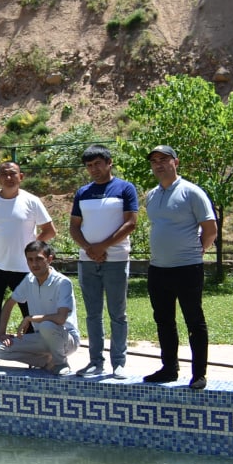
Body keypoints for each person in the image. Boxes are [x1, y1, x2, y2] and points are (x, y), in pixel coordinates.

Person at [143, 145, 217, 389]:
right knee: (164, 320)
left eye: (164, 159)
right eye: (154, 161)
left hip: (187, 268)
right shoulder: (152, 195)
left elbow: (210, 229)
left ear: (176, 162)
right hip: (158, 269)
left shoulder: (191, 192)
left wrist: (198, 251)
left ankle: (199, 374)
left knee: (194, 321)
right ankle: (169, 368)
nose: (158, 164)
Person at [0, 161, 56, 367]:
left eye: (13, 174)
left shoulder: (32, 201)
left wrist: (33, 250)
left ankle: (37, 356)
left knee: (30, 313)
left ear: (21, 176)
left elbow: (49, 230)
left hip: (24, 268)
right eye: (4, 174)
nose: (8, 178)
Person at [69, 145, 139, 379]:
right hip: (87, 261)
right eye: (89, 166)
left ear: (109, 163)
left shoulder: (125, 188)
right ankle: (95, 362)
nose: (93, 169)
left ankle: (119, 363)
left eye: (98, 164)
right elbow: (74, 227)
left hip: (116, 259)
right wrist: (89, 249)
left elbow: (131, 223)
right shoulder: (83, 192)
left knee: (118, 314)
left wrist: (103, 247)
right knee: (93, 314)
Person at [0, 241, 80, 374]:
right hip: (41, 337)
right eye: (30, 260)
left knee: (46, 325)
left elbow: (61, 318)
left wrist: (30, 318)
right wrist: (1, 333)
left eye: (39, 259)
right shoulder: (29, 279)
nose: (34, 264)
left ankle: (60, 363)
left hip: (66, 339)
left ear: (49, 259)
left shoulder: (63, 282)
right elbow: (9, 304)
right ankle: (47, 362)